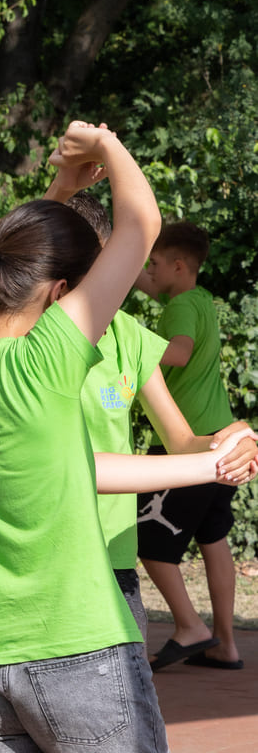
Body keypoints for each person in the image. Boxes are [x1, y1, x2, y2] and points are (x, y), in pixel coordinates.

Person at [0, 121, 254, 753]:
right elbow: (140, 226)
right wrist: (107, 144)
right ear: (63, 294)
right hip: (71, 644)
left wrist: (63, 185)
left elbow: (87, 467)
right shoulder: (42, 365)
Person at [0, 183, 258, 650]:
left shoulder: (129, 334)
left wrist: (227, 447)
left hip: (112, 557)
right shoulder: (17, 333)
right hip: (37, 556)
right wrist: (66, 180)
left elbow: (181, 440)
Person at [133, 222, 247, 669]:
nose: (148, 271)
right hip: (222, 438)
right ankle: (224, 644)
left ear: (178, 266)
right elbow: (142, 279)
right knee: (213, 539)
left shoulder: (178, 308)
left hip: (187, 444)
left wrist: (130, 349)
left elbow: (177, 352)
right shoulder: (199, 300)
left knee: (146, 537)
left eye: (155, 263)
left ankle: (189, 625)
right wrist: (114, 255)